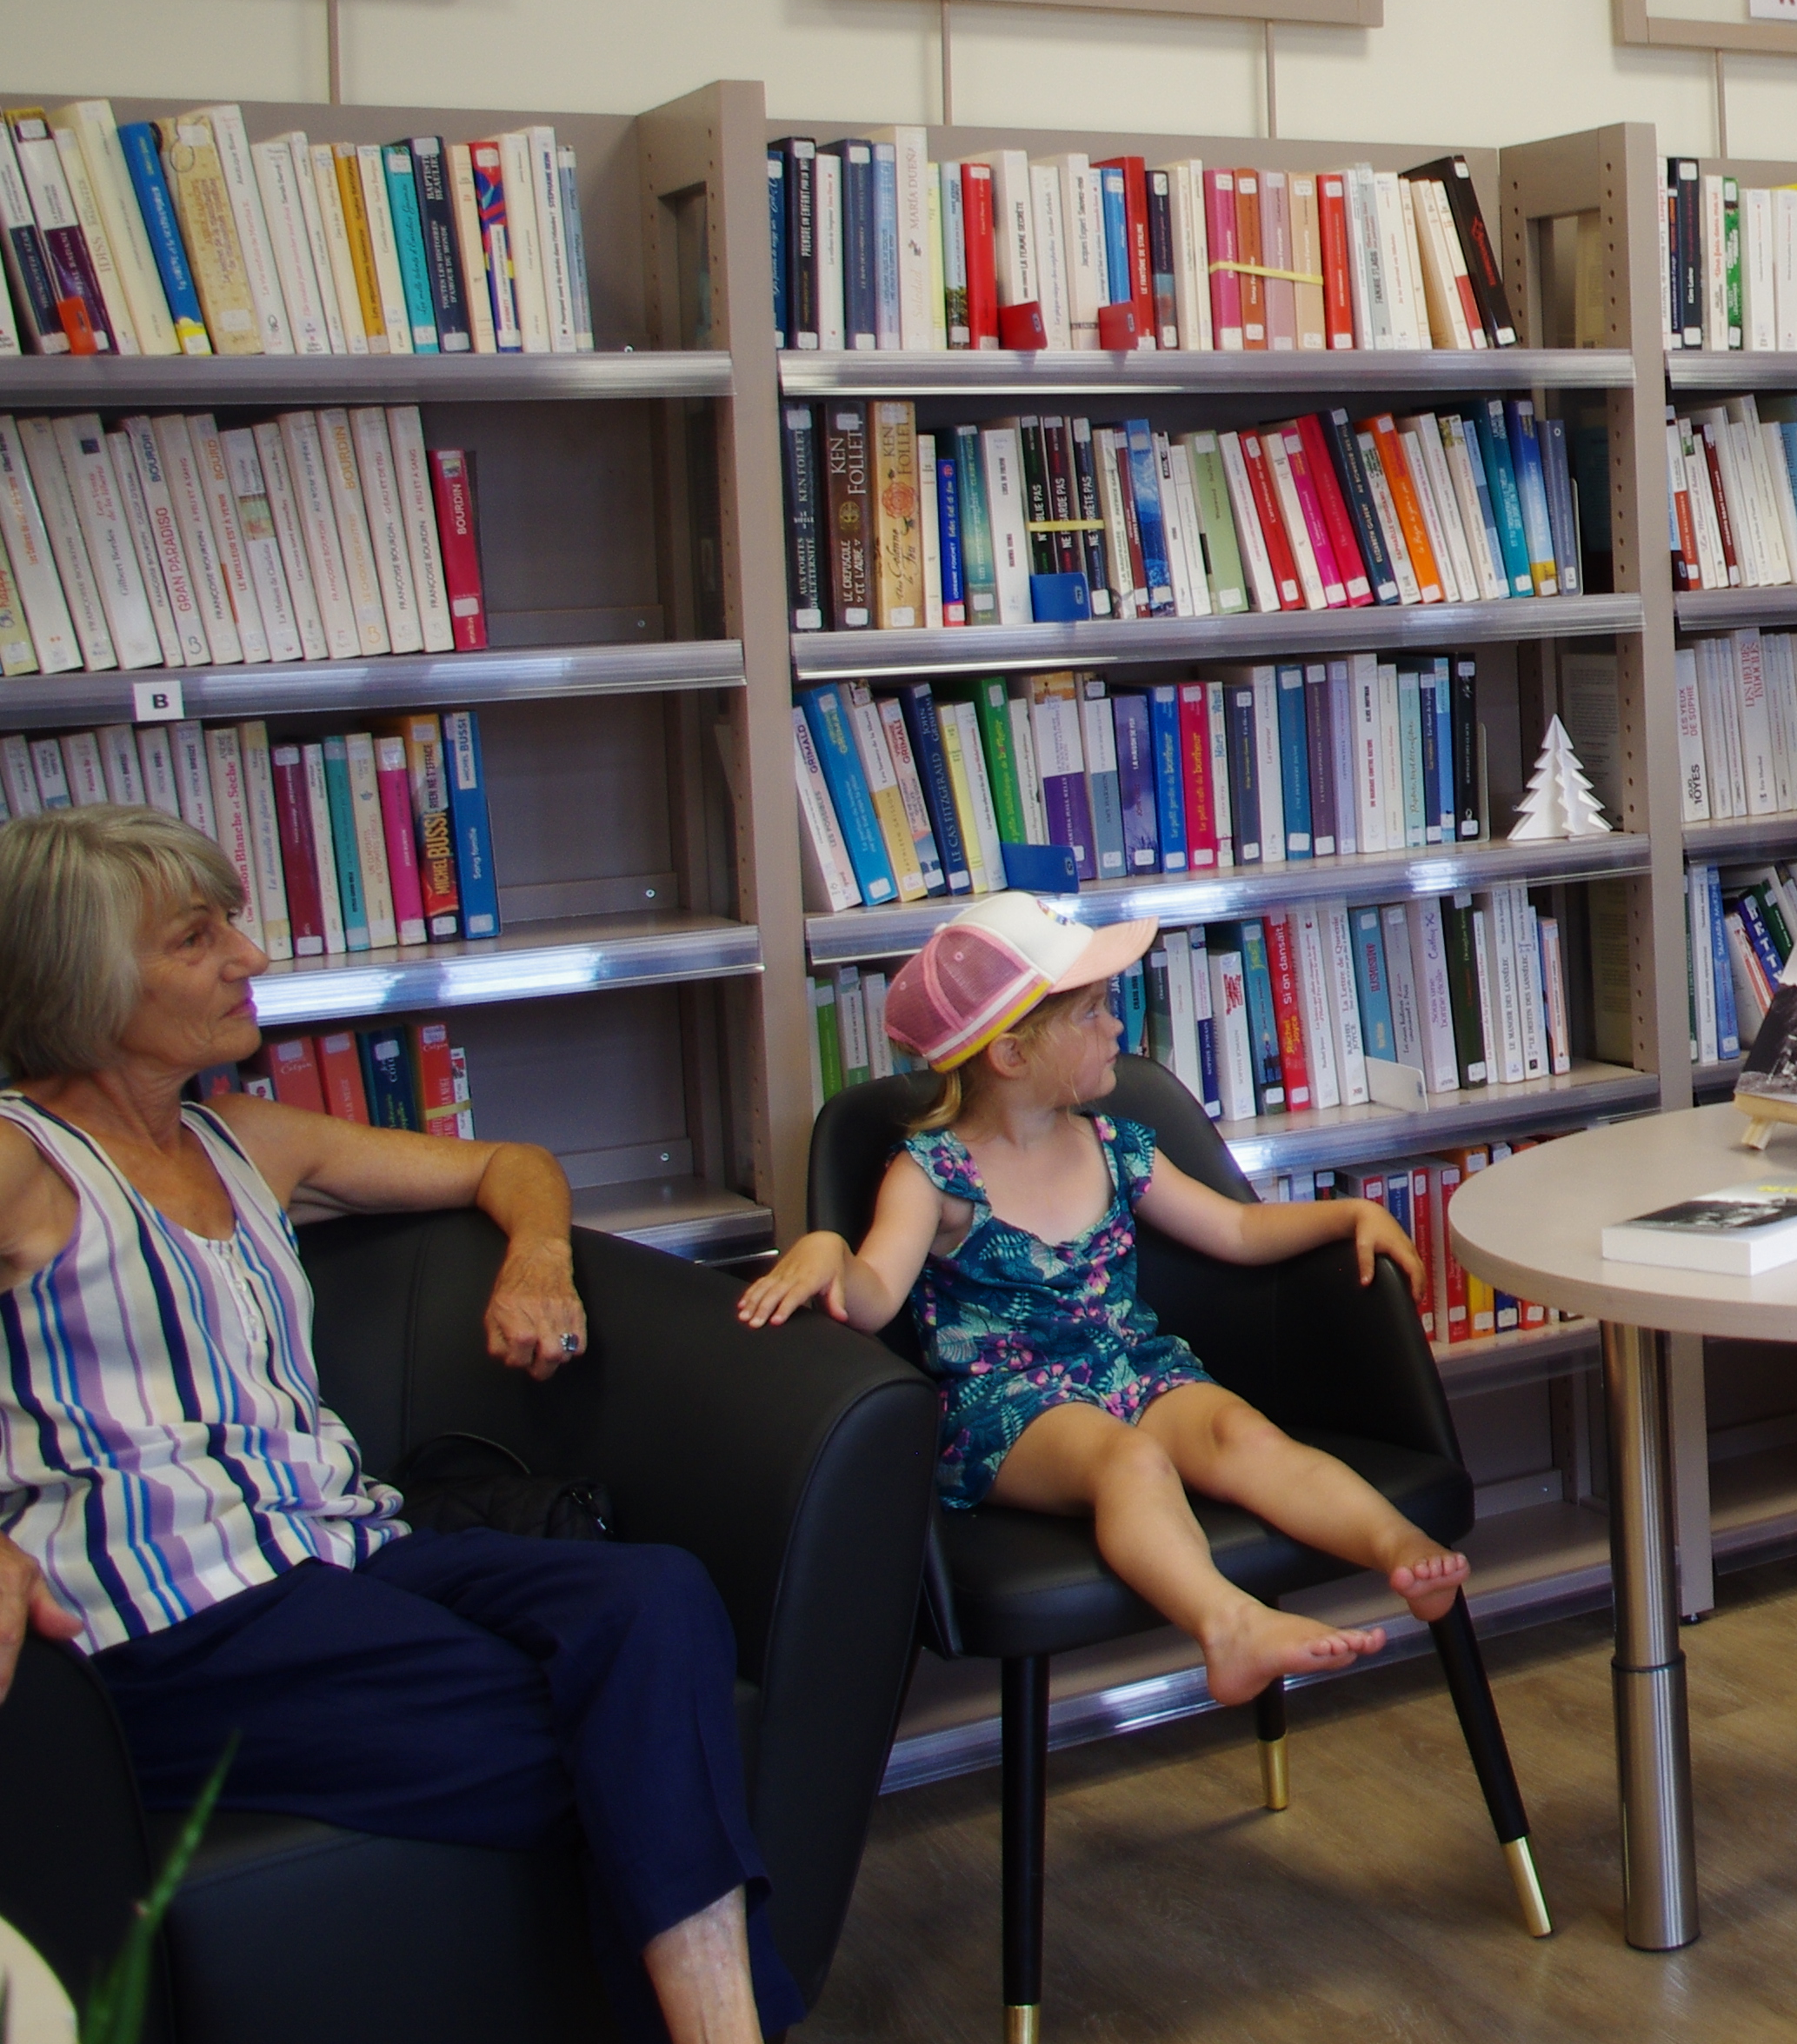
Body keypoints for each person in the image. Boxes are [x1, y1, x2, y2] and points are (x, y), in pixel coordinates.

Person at [0, 805, 795, 2044]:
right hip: (174, 1626)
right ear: (81, 974)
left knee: (654, 1601)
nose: (248, 959)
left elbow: (510, 1163)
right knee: (651, 1739)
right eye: (196, 937)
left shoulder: (244, 1140)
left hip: (347, 1555)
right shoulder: (23, 1160)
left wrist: (540, 1261)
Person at [740, 890, 1467, 1706]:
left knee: (1239, 1431)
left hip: (1133, 1370)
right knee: (1130, 1462)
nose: (1116, 1027)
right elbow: (871, 1301)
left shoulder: (1113, 1146)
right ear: (1011, 1053)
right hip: (1009, 1409)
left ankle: (1397, 1544)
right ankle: (1227, 1626)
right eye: (1089, 1014)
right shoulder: (932, 1174)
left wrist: (1350, 1210)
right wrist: (826, 1249)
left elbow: (1233, 1231)